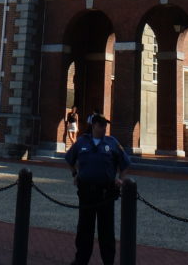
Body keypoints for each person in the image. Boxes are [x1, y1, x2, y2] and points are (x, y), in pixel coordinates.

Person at [65, 112, 131, 265]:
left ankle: (108, 261)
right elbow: (69, 158)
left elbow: (125, 163)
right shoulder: (82, 142)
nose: (104, 128)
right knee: (84, 229)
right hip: (86, 192)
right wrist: (75, 173)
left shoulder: (112, 142)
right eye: (101, 125)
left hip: (106, 194)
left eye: (105, 125)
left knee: (106, 230)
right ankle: (81, 260)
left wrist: (120, 179)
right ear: (94, 125)